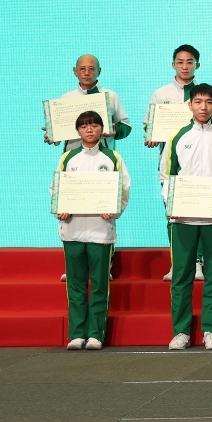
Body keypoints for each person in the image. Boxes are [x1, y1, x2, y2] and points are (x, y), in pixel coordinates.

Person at [161, 84, 212, 350]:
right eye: (198, 102)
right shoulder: (177, 136)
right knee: (181, 276)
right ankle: (181, 332)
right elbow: (166, 176)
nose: (203, 107)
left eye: (208, 102)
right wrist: (172, 203)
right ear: (190, 105)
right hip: (183, 219)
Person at [47, 54, 132, 283]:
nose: (87, 73)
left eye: (92, 68)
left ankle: (104, 265)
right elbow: (58, 130)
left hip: (103, 161)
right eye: (82, 68)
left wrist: (114, 130)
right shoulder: (66, 99)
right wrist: (53, 135)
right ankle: (75, 267)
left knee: (103, 216)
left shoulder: (110, 96)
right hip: (74, 161)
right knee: (73, 213)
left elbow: (126, 127)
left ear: (99, 71)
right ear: (75, 71)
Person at [52, 111, 130, 350]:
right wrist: (61, 207)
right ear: (77, 131)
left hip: (101, 231)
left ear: (101, 130)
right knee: (75, 284)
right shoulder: (68, 158)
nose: (89, 130)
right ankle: (76, 334)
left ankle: (96, 334)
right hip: (72, 229)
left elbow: (124, 187)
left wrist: (113, 208)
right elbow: (56, 187)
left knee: (99, 284)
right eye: (84, 126)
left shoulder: (112, 157)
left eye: (94, 125)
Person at [147, 45, 212, 282]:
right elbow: (149, 126)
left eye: (190, 62)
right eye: (180, 62)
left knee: (200, 214)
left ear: (197, 65)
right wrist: (151, 136)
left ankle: (198, 262)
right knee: (175, 214)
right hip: (173, 163)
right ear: (173, 65)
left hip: (204, 163)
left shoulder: (206, 94)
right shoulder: (161, 94)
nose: (185, 66)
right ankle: (178, 262)